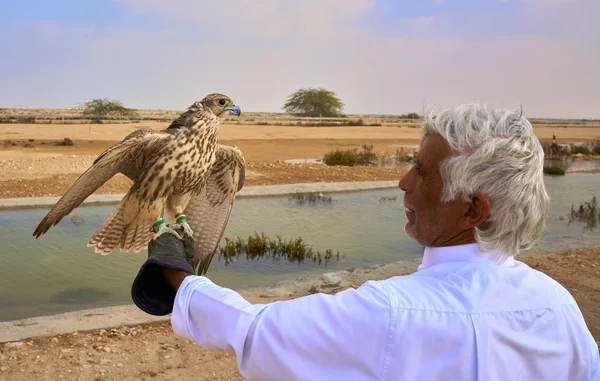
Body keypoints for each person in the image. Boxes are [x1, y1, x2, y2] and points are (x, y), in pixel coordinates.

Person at [131, 103, 599, 381]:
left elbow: (255, 331)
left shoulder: (395, 313)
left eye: (421, 170)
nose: (402, 182)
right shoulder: (558, 306)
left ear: (473, 210)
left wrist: (173, 271)